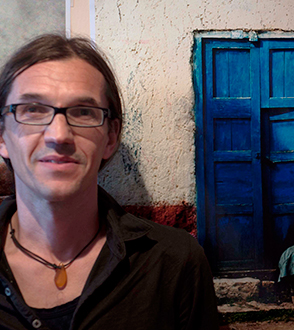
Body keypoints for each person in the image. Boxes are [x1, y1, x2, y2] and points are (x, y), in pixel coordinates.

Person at [0, 34, 219, 329]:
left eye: (83, 112)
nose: (59, 135)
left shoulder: (174, 262)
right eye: (33, 110)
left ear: (111, 137)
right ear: (2, 136)